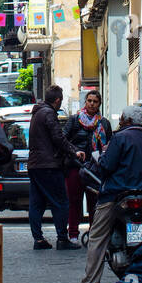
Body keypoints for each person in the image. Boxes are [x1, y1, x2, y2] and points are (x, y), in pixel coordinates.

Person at [78, 103, 142, 283]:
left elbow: (106, 166)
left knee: (97, 236)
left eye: (122, 118)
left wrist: (102, 155)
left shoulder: (120, 138)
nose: (120, 121)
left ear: (128, 121)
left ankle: (89, 282)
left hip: (116, 194)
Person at [26, 85, 81, 250]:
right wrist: (74, 151)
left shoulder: (37, 113)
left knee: (37, 202)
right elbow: (58, 138)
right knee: (61, 202)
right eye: (60, 101)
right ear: (57, 100)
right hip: (48, 165)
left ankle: (38, 239)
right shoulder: (49, 113)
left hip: (35, 164)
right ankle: (62, 239)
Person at [63, 90, 112, 242]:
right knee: (74, 201)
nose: (91, 103)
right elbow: (63, 141)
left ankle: (94, 234)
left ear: (99, 104)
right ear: (85, 102)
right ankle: (73, 234)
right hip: (75, 167)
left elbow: (110, 145)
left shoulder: (104, 123)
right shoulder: (74, 120)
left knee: (94, 203)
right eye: (89, 100)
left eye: (95, 101)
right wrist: (75, 151)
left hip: (95, 169)